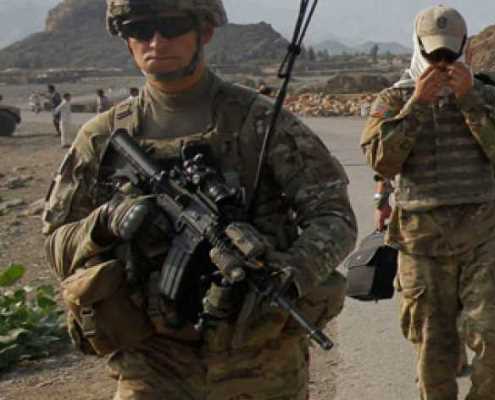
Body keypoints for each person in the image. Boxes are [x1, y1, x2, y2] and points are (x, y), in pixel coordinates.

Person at [41, 1, 358, 398]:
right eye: (140, 29)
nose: (157, 41)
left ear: (204, 32)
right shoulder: (102, 137)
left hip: (259, 356)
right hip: (151, 360)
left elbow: (334, 216)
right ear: (126, 40)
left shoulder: (260, 121)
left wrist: (290, 272)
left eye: (172, 26)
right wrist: (104, 222)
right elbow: (56, 243)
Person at [361, 5, 495, 399]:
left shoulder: (487, 96)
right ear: (419, 48)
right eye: (434, 54)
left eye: (449, 54)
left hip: (481, 237)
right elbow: (381, 161)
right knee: (434, 351)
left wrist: (470, 100)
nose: (441, 63)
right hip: (422, 245)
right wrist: (417, 105)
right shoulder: (394, 100)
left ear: (464, 49)